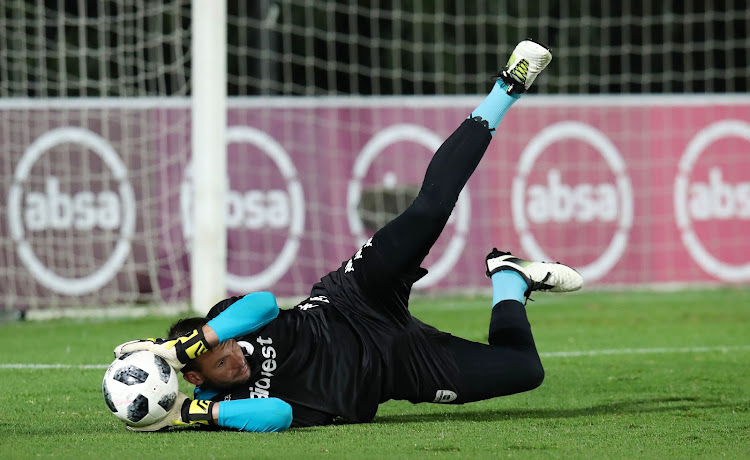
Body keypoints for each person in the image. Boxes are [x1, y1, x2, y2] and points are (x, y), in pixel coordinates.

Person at [114, 39, 583, 433]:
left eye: (227, 349)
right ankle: (508, 278)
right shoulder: (221, 401)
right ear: (195, 379)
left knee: (430, 209)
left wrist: (191, 343)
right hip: (396, 368)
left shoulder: (224, 325)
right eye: (220, 364)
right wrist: (194, 411)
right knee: (525, 371)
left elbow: (261, 303)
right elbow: (277, 413)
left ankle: (508, 85)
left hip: (356, 298)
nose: (235, 358)